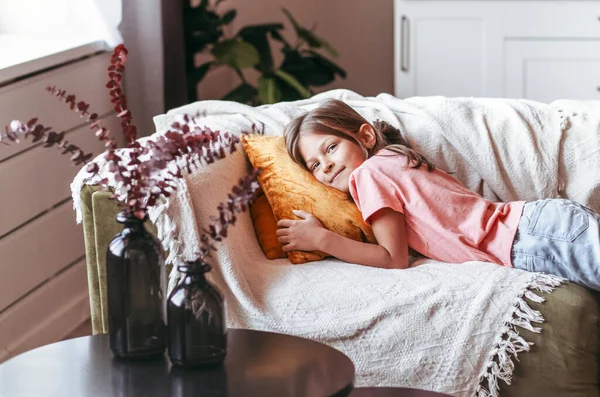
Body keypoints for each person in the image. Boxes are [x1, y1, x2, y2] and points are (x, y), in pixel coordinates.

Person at [276, 99, 600, 291]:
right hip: (543, 222)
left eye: (331, 147)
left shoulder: (367, 174)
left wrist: (321, 239)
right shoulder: (396, 157)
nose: (327, 165)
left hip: (528, 239)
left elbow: (393, 258)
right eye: (314, 164)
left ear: (365, 135)